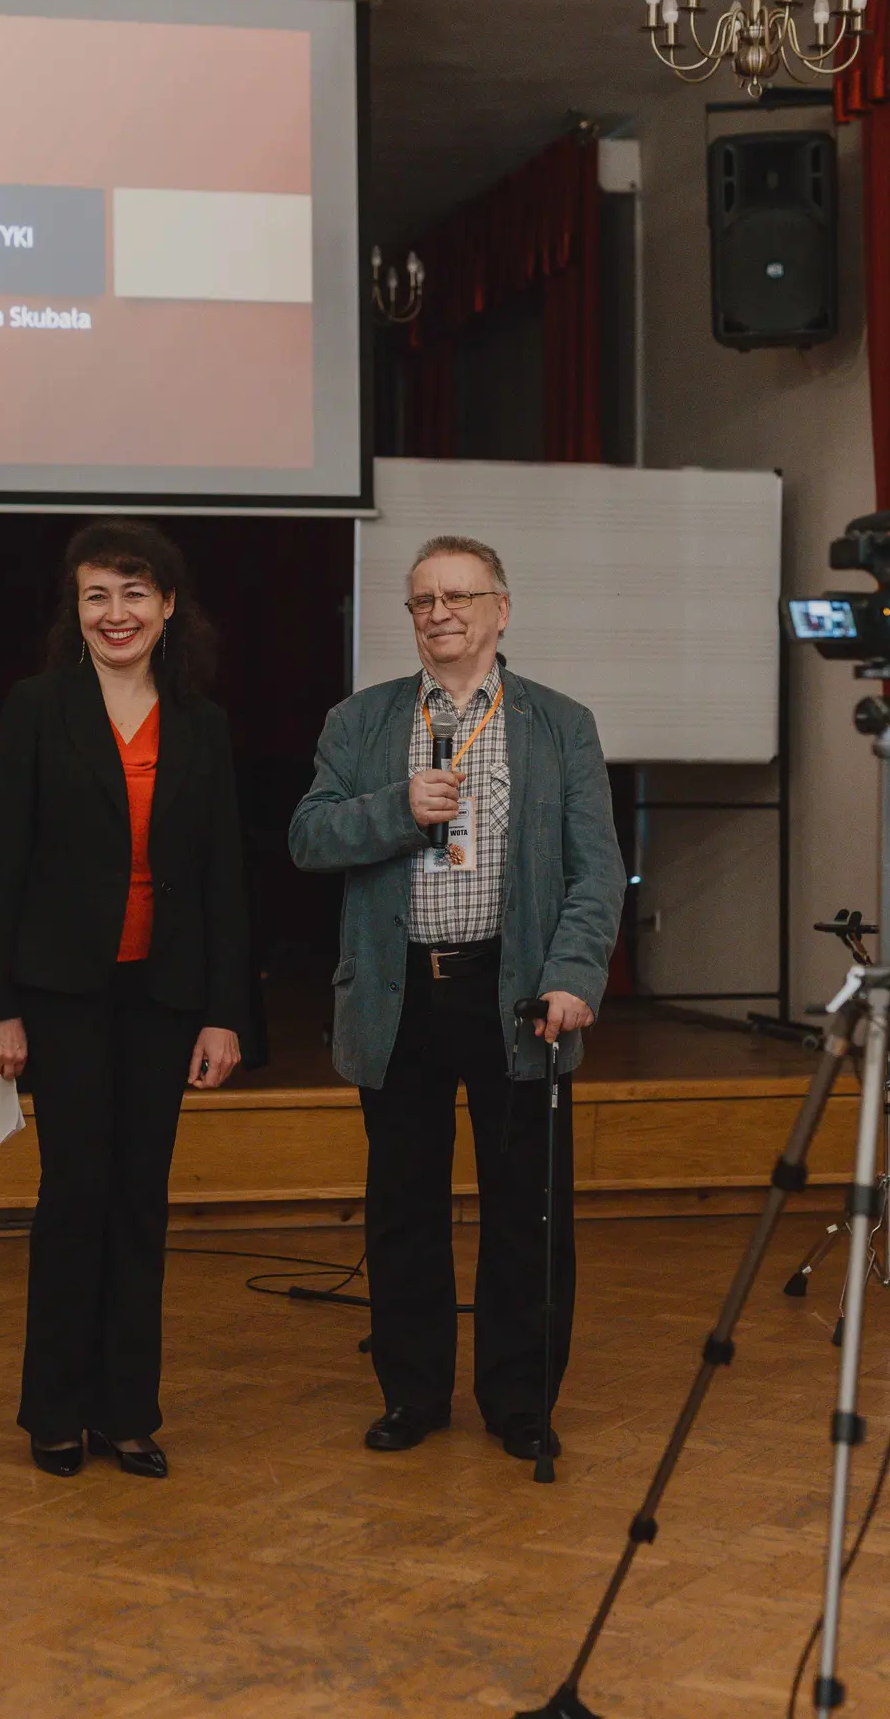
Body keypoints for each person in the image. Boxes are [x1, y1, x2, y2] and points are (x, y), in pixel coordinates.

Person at [289, 535, 624, 1463]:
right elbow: (308, 837)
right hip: (399, 996)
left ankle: (520, 1401)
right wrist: (398, 809)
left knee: (527, 1212)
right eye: (423, 600)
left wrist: (572, 974)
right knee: (403, 1209)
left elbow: (598, 871)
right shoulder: (361, 721)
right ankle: (413, 1395)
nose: (439, 614)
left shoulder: (561, 724)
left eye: (459, 597)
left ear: (500, 611)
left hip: (518, 999)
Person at [0, 518, 248, 1480]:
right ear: (76, 609)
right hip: (62, 994)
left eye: (134, 594)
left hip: (163, 996)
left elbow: (223, 880)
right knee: (74, 1195)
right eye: (97, 595)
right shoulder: (36, 707)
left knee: (140, 1202)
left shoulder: (203, 723)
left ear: (168, 606)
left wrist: (225, 1011)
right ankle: (54, 1409)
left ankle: (126, 1411)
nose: (115, 613)